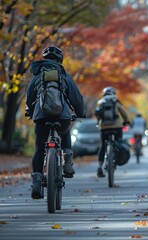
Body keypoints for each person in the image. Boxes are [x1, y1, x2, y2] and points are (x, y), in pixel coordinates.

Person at [25, 46, 85, 199]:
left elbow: (30, 97)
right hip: (62, 117)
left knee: (39, 149)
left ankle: (37, 182)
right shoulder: (63, 75)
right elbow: (76, 98)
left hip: (41, 117)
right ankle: (67, 163)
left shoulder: (37, 75)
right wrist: (80, 113)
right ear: (59, 60)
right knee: (65, 132)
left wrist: (30, 112)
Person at [95, 86, 130, 177]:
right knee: (119, 142)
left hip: (103, 127)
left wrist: (99, 122)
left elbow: (97, 114)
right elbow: (123, 113)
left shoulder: (100, 102)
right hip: (117, 127)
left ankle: (99, 166)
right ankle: (116, 157)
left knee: (103, 146)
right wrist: (127, 121)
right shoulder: (116, 101)